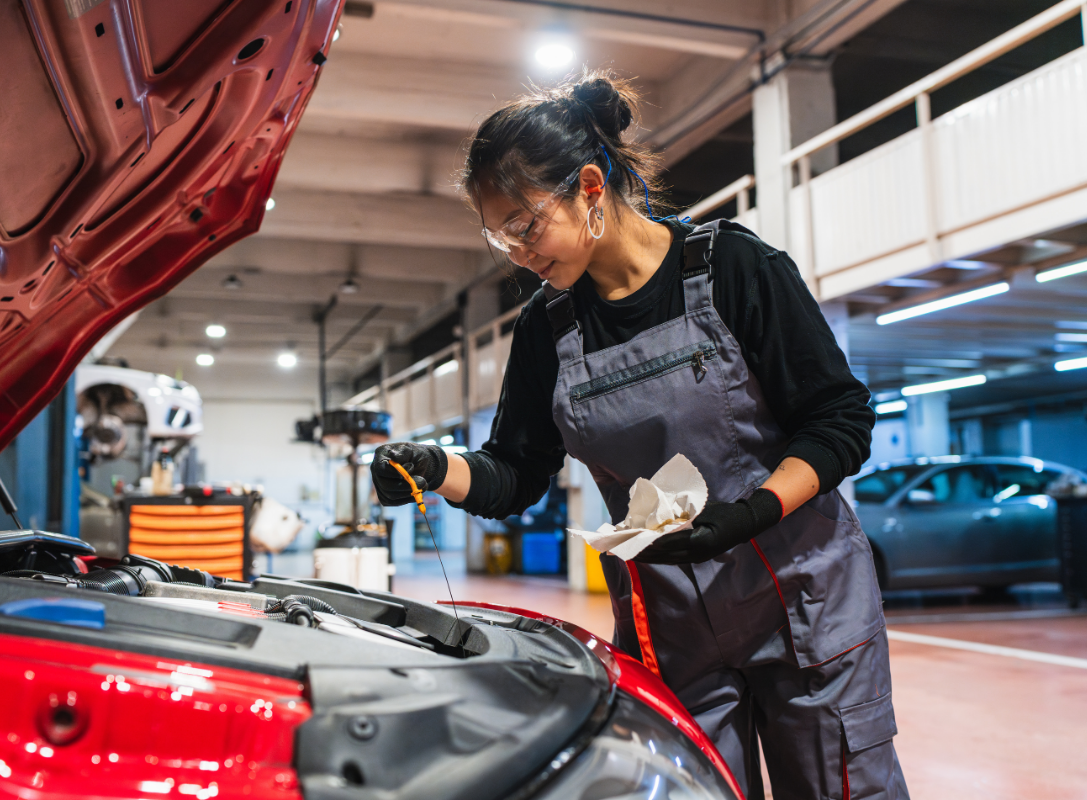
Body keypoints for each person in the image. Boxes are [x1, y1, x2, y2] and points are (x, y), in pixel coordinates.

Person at [370, 71, 908, 800]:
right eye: (503, 240)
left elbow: (839, 419)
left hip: (806, 601)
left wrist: (751, 513)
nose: (522, 254)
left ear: (590, 186)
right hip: (674, 623)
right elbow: (516, 472)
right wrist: (435, 467)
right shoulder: (546, 329)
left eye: (528, 226)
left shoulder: (733, 269)